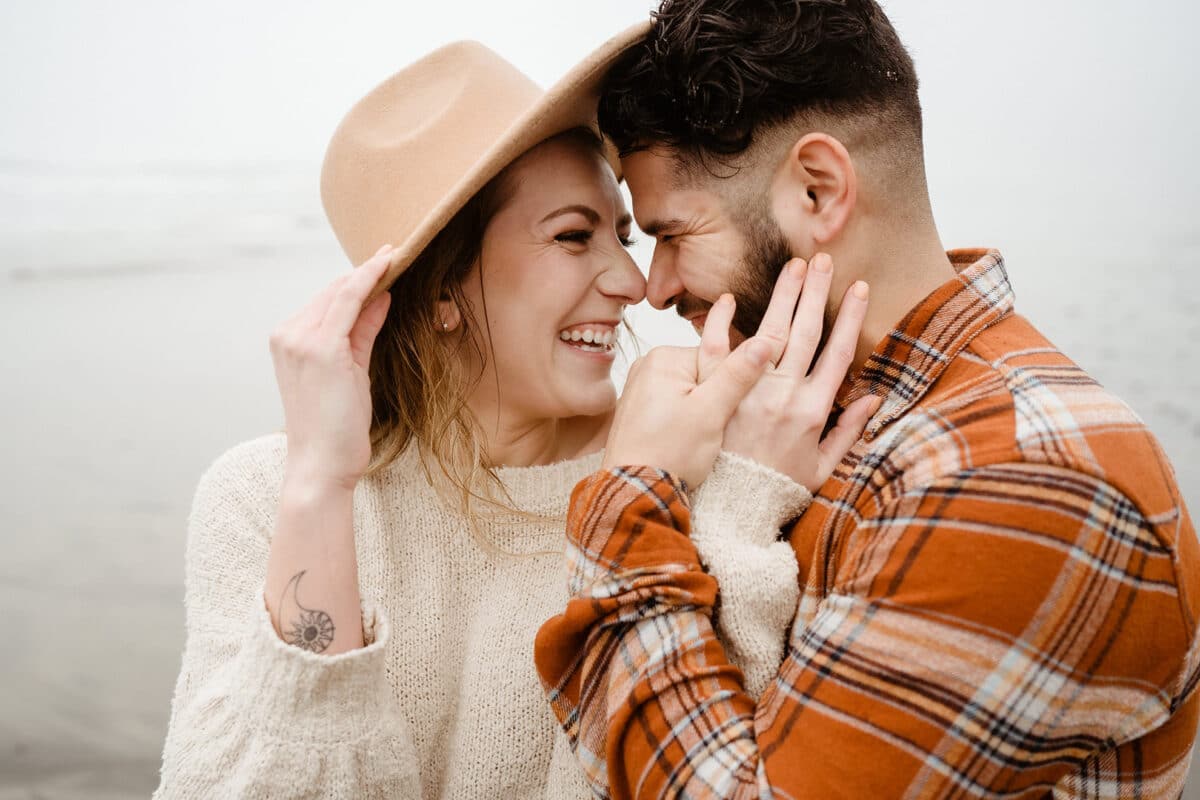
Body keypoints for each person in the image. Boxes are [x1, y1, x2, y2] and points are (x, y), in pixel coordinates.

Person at [154, 22, 848, 799]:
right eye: (573, 236)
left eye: (622, 235)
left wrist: (735, 506)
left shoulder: (680, 469)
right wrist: (319, 487)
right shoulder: (261, 497)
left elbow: (715, 770)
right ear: (444, 287)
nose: (631, 281)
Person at [535, 1, 1200, 797]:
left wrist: (629, 495)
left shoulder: (1024, 479)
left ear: (818, 192)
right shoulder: (802, 414)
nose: (655, 286)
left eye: (675, 233)